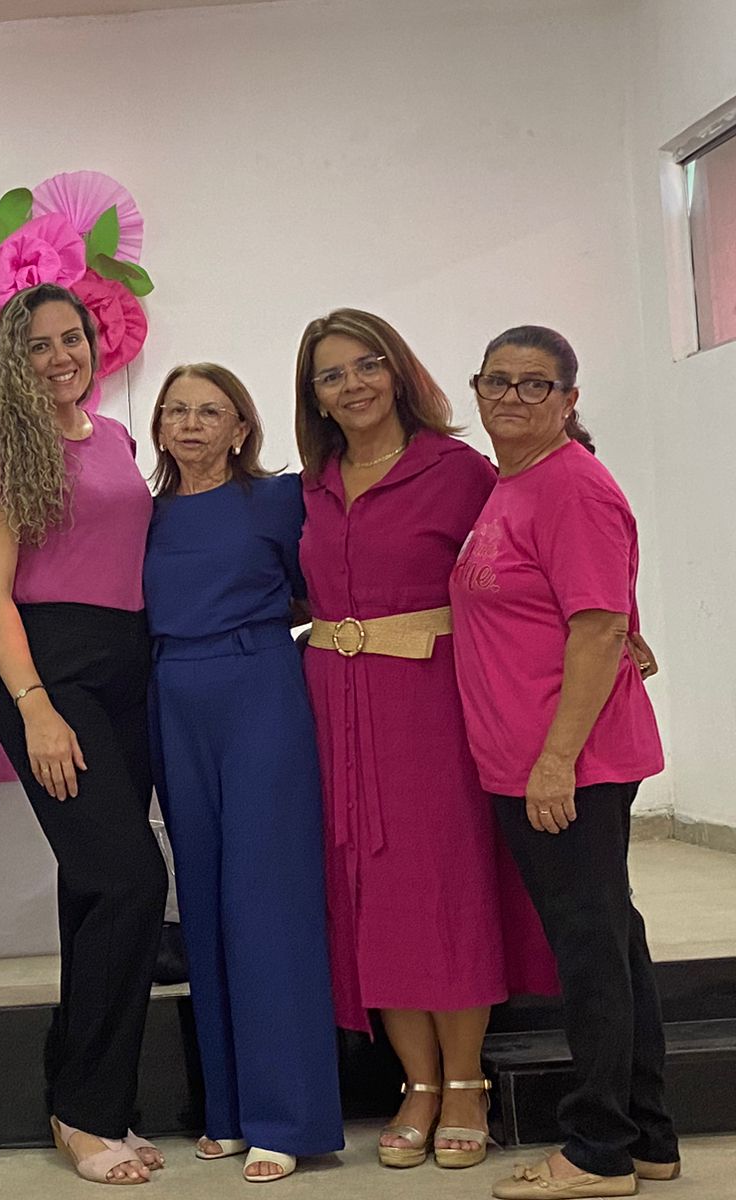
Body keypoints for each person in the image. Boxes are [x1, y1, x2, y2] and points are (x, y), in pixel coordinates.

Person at [294, 308, 557, 1172]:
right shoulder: (313, 484)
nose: (354, 384)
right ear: (316, 397)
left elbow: (525, 567)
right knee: (367, 889)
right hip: (336, 705)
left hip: (432, 704)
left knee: (443, 881)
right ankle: (418, 1083)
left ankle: (466, 1080)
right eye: (332, 375)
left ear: (397, 370)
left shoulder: (458, 471)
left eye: (368, 364)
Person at [451, 326, 679, 1200]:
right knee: (611, 939)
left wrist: (555, 762)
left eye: (534, 384)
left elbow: (597, 628)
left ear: (569, 400)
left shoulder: (571, 486)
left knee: (589, 953)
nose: (511, 397)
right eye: (497, 381)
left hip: (571, 763)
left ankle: (597, 1152)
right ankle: (647, 1136)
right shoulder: (517, 484)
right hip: (532, 756)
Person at [0, 283, 169, 1187]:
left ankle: (89, 1100)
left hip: (129, 670)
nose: (59, 357)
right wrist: (36, 704)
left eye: (71, 339)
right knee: (132, 879)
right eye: (37, 344)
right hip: (52, 672)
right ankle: (86, 1109)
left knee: (94, 890)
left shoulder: (116, 438)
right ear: (11, 358)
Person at [144, 364, 343, 1183]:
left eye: (209, 411)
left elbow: (316, 590)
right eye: (176, 410)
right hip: (172, 692)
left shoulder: (279, 500)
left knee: (268, 899)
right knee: (203, 897)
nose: (191, 424)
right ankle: (228, 1108)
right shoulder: (145, 515)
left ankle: (287, 1117)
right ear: (159, 427)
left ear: (240, 428)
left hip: (259, 684)